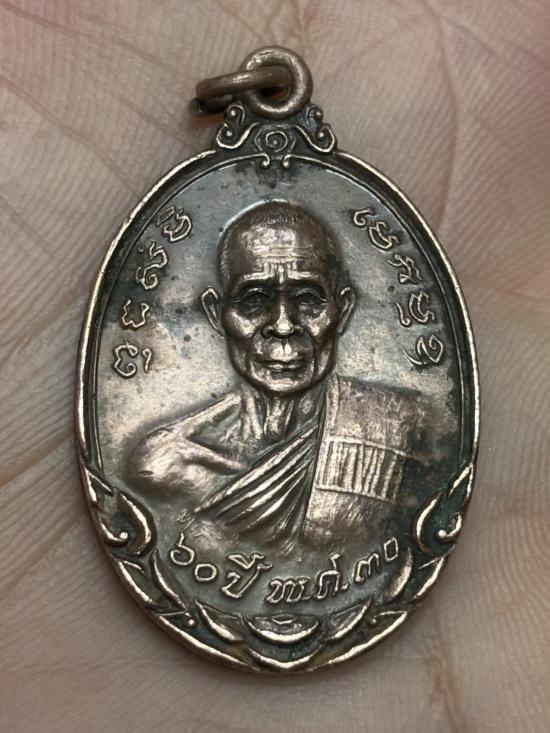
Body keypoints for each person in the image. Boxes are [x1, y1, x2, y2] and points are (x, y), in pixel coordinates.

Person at [129, 200, 418, 546]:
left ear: (342, 310)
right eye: (254, 300)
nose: (282, 325)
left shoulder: (399, 429)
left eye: (308, 299)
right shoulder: (167, 462)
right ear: (216, 315)